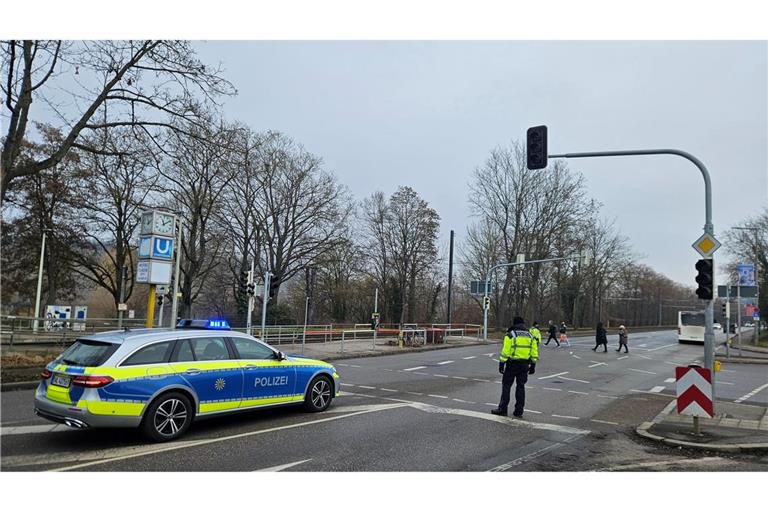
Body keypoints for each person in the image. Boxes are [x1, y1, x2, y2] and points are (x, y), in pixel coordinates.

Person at [492, 316, 539, 418]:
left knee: (506, 386)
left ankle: (503, 409)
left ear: (514, 324)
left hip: (512, 364)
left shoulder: (510, 335)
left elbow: (505, 351)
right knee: (521, 387)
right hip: (525, 365)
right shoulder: (530, 336)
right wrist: (533, 365)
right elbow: (534, 351)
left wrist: (501, 363)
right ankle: (519, 411)